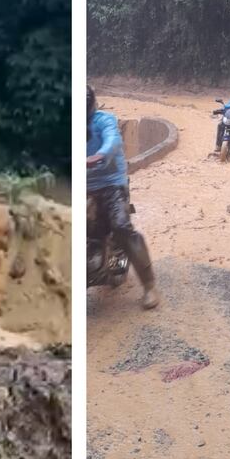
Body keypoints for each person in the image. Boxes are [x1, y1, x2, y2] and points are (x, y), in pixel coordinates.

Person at [86, 85, 158, 309]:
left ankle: (149, 286)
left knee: (121, 227)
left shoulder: (104, 120)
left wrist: (99, 155)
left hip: (111, 186)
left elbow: (113, 141)